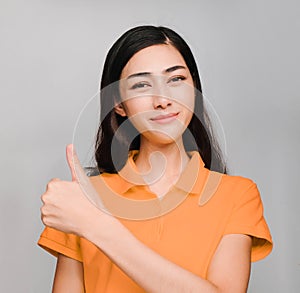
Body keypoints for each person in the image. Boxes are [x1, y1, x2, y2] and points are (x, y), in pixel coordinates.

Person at [38, 25, 273, 292]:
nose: (162, 100)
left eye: (176, 80)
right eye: (141, 84)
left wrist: (97, 226)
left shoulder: (236, 195)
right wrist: (85, 217)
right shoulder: (84, 199)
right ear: (118, 103)